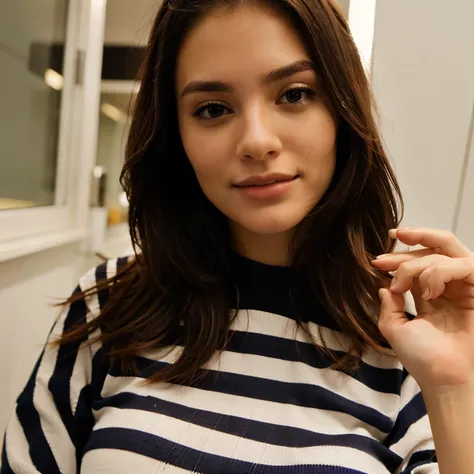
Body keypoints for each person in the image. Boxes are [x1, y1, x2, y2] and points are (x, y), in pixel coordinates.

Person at [2, 0, 474, 472]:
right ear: (176, 135)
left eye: (294, 94)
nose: (256, 141)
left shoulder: (412, 340)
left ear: (341, 110)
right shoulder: (110, 304)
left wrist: (454, 388)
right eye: (212, 109)